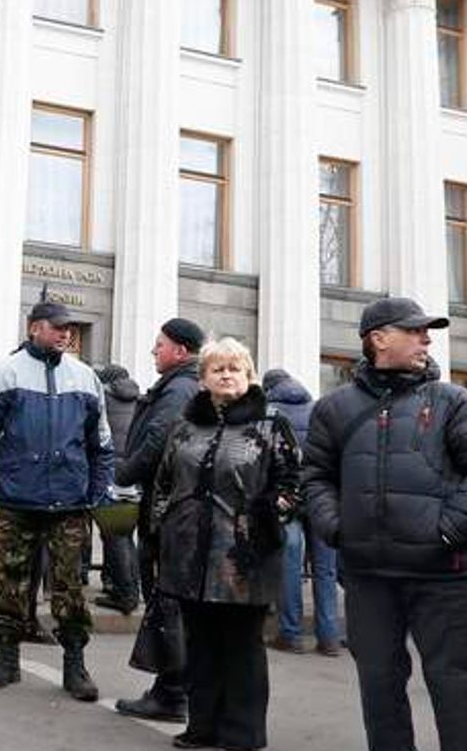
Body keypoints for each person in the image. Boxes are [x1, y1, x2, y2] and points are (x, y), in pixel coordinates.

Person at [302, 296, 467, 751]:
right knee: (379, 690)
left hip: (444, 575)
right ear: (379, 339)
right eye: (414, 330)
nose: (426, 339)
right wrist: (337, 528)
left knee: (463, 691)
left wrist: (447, 530)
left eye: (427, 332)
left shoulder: (453, 402)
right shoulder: (334, 408)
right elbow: (315, 477)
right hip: (368, 577)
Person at [153, 337, 300, 751]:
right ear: (202, 378)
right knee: (200, 645)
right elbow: (164, 482)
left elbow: (293, 484)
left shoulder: (271, 424)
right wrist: (166, 527)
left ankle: (243, 734)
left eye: (235, 368)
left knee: (242, 647)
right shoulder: (185, 425)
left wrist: (266, 518)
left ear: (249, 375)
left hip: (243, 558)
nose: (226, 374)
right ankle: (202, 727)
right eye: (217, 368)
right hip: (188, 557)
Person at [0, 299, 114, 702]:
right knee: (9, 582)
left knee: (69, 587)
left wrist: (98, 490)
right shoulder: (5, 373)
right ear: (35, 328)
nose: (66, 333)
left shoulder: (85, 378)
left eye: (69, 328)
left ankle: (75, 663)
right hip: (15, 499)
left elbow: (101, 443)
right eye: (57, 326)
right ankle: (7, 658)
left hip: (68, 502)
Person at [114, 317, 205, 722]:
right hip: (167, 504)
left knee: (166, 601)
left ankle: (172, 694)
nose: (154, 351)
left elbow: (158, 439)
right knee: (167, 601)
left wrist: (123, 473)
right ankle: (171, 689)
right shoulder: (181, 384)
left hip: (166, 509)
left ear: (180, 351)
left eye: (160, 345)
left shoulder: (180, 387)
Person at [263, 366, 340, 657]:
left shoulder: (268, 414)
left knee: (290, 565)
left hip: (287, 499)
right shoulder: (318, 410)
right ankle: (329, 638)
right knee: (326, 570)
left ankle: (291, 634)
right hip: (322, 498)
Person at [91, 362, 142, 615]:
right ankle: (130, 587)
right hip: (134, 474)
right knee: (125, 534)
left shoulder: (103, 399)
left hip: (110, 472)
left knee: (115, 535)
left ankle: (126, 594)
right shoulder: (140, 401)